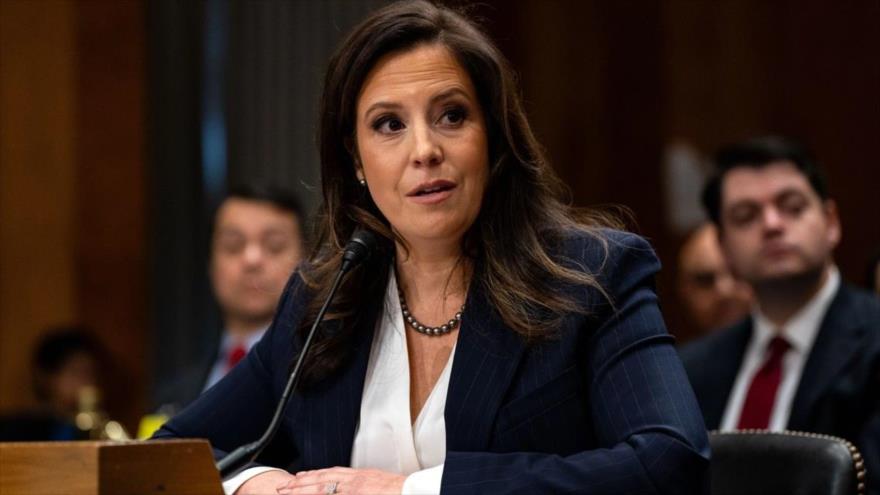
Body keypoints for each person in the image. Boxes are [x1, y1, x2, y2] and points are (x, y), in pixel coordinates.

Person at [154, 2, 709, 494]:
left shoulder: (593, 277)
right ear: (355, 161)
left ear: (491, 136)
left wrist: (412, 491)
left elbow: (670, 462)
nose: (424, 150)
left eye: (452, 116)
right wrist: (254, 482)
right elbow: (169, 456)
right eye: (389, 124)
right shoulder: (321, 301)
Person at [679, 136, 880, 493]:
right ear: (723, 247)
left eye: (792, 206)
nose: (772, 224)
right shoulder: (691, 370)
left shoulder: (873, 341)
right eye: (746, 216)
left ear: (831, 222)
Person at [154, 184, 305, 412]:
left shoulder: (325, 379)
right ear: (210, 263)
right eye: (233, 246)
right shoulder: (174, 395)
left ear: (308, 260)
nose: (252, 260)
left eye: (274, 246)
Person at [0, 327, 103, 441]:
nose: (86, 381)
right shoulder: (16, 429)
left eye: (90, 373)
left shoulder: (98, 428)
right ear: (46, 376)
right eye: (75, 372)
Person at [676, 222, 753, 340]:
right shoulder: (670, 358)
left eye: (737, 274)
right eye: (705, 280)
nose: (724, 290)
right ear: (684, 291)